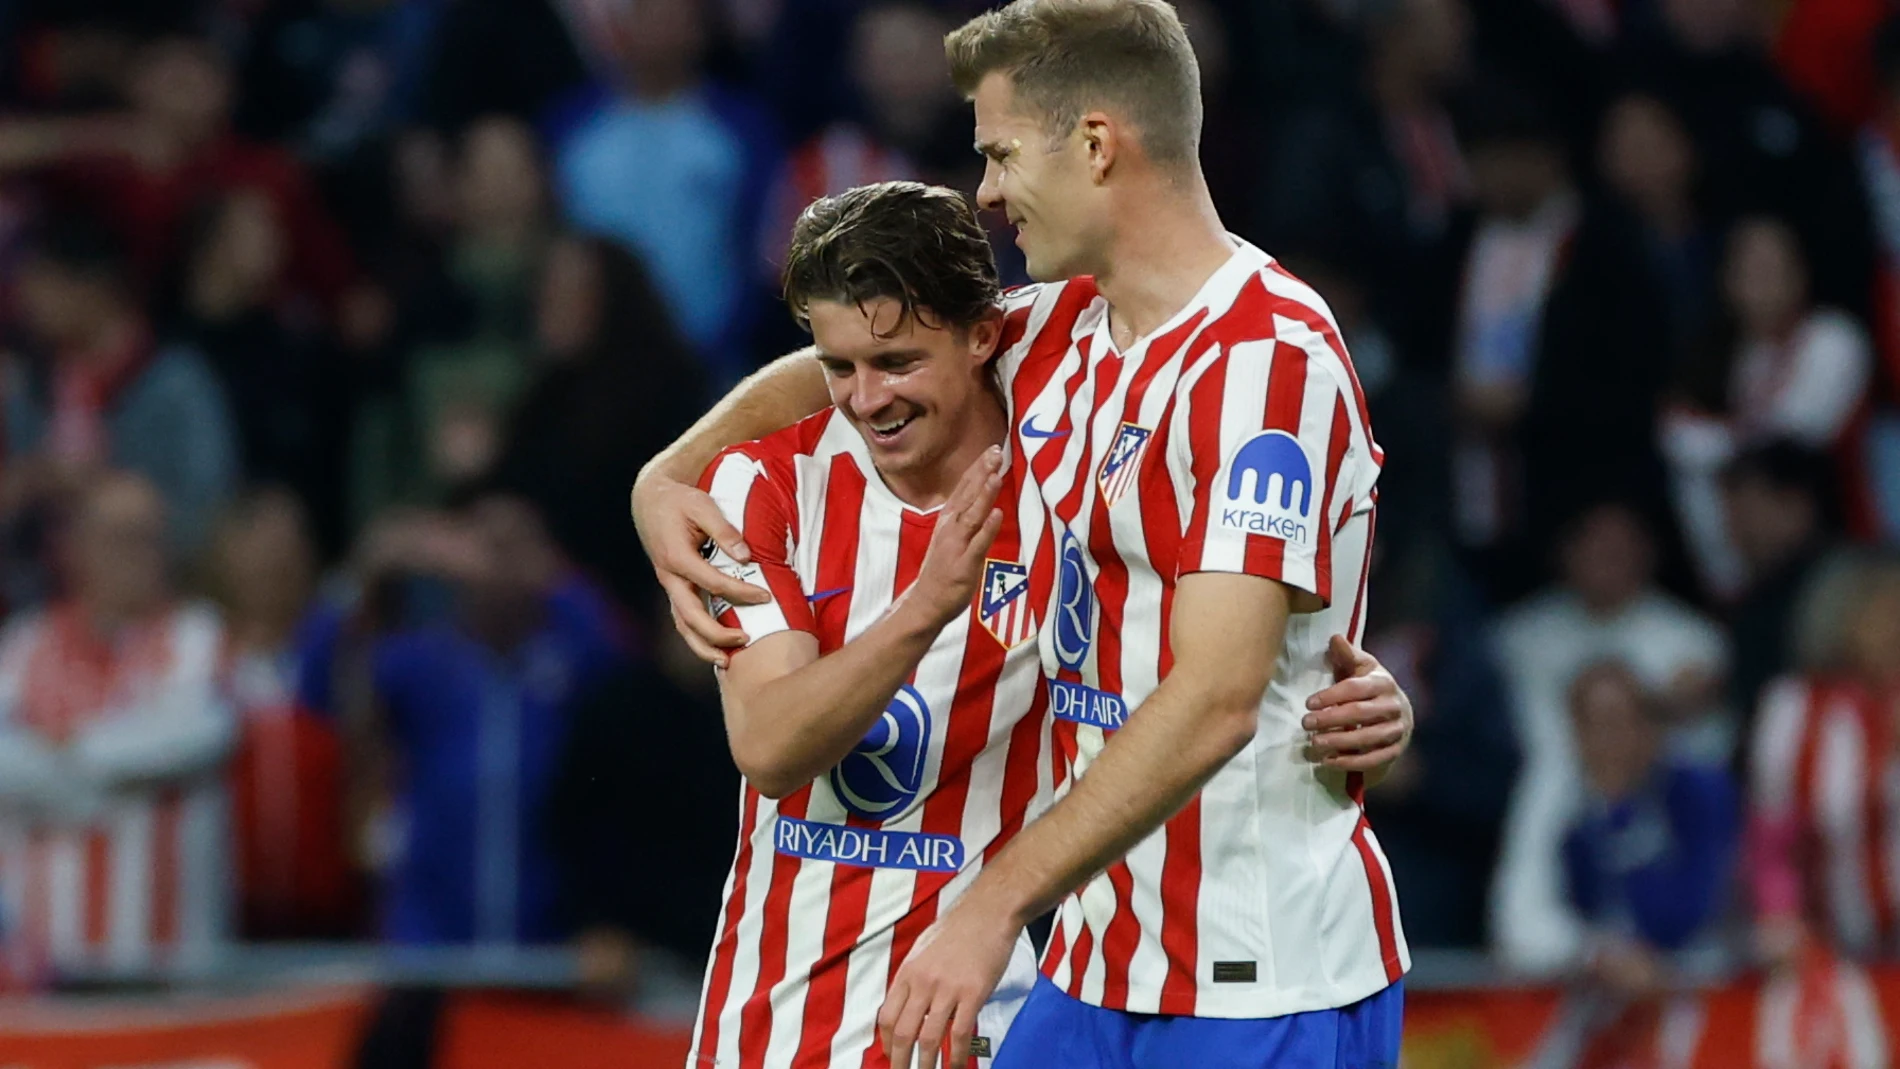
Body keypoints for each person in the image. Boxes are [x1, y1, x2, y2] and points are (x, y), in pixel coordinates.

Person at [629, 3, 1414, 1067]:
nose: (987, 192)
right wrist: (667, 473)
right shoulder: (1065, 331)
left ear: (1095, 146)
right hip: (1093, 965)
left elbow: (1220, 698)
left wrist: (990, 904)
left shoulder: (1264, 362)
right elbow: (870, 353)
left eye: (1000, 154)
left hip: (1251, 973)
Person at [689, 180, 1048, 1069]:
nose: (864, 398)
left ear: (981, 336)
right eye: (838, 364)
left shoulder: (1065, 477)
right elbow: (770, 744)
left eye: (896, 363)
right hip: (773, 1028)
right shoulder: (766, 484)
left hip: (978, 1026)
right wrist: (927, 605)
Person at [0, 473, 235, 983]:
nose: (141, 556)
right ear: (75, 549)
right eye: (122, 538)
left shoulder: (195, 637)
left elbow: (191, 738)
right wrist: (113, 781)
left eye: (153, 538)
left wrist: (61, 752)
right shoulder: (23, 647)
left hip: (168, 970)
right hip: (43, 976)